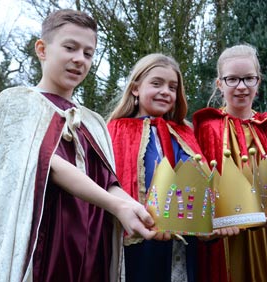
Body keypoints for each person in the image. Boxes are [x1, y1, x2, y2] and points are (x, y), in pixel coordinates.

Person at [0, 9, 156, 282]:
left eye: (88, 53)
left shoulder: (94, 123)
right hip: (42, 253)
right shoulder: (17, 103)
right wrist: (116, 206)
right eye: (70, 47)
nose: (79, 59)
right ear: (42, 49)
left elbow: (109, 182)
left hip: (90, 252)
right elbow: (49, 164)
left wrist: (137, 209)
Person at [192, 44, 267, 282]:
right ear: (220, 84)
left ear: (258, 82)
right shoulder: (206, 128)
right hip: (225, 238)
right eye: (232, 79)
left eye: (248, 79)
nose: (241, 87)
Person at [107, 53, 207, 282]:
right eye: (156, 83)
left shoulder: (184, 132)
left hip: (181, 240)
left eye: (173, 87)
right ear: (135, 88)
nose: (166, 91)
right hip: (137, 239)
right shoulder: (116, 130)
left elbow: (200, 178)